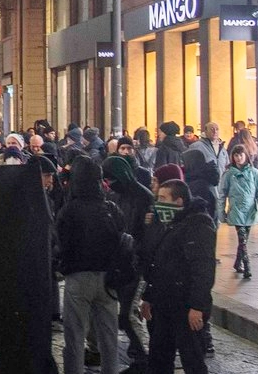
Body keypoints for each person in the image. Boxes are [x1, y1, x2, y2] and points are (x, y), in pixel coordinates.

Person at [141, 179, 215, 374]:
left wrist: (197, 306)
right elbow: (156, 263)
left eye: (163, 199)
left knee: (192, 360)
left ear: (179, 201)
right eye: (158, 198)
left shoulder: (198, 225)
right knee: (159, 359)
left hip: (185, 306)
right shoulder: (167, 223)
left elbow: (203, 268)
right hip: (163, 304)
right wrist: (148, 297)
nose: (158, 203)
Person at [56, 157, 122, 374]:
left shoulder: (70, 210)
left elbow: (62, 243)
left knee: (74, 336)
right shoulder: (109, 207)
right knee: (109, 336)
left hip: (78, 277)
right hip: (108, 279)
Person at [105, 155, 153, 372]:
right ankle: (139, 353)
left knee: (128, 313)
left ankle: (145, 356)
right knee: (126, 314)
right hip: (123, 263)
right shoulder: (116, 195)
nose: (109, 183)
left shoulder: (143, 196)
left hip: (139, 264)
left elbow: (147, 232)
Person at [222, 145, 258, 279]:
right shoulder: (229, 173)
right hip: (236, 210)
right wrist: (221, 212)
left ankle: (237, 262)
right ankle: (247, 266)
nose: (238, 158)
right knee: (242, 238)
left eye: (241, 154)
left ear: (246, 155)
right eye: (236, 155)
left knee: (244, 239)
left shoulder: (254, 172)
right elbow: (222, 193)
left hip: (250, 210)